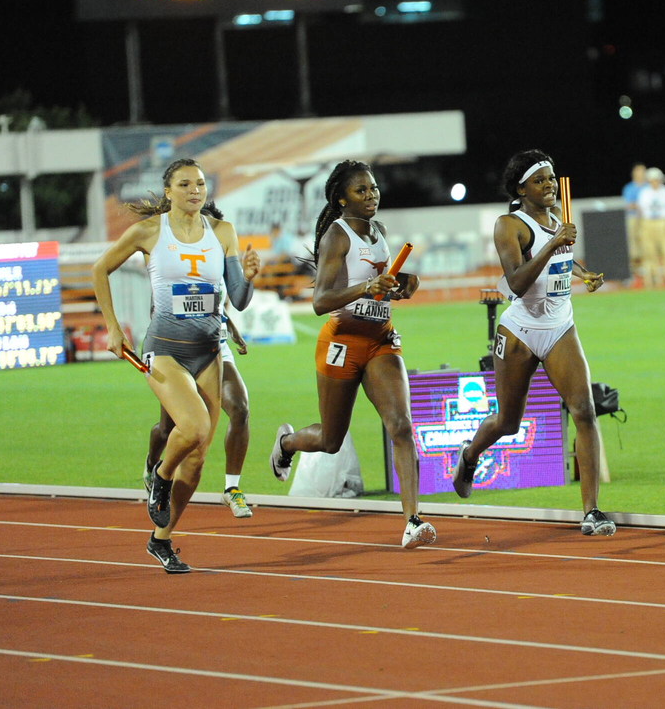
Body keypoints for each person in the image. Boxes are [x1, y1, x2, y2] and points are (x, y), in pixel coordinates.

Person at [93, 158, 260, 573]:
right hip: (165, 348)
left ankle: (161, 540)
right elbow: (100, 268)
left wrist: (251, 277)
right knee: (197, 426)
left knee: (199, 456)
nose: (195, 191)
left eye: (200, 184)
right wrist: (113, 328)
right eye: (185, 184)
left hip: (208, 349)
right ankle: (161, 477)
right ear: (168, 191)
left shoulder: (223, 232)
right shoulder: (151, 231)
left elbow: (237, 298)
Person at [268, 160, 435, 549]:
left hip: (381, 340)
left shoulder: (380, 231)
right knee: (330, 439)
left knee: (401, 426)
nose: (371, 195)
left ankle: (413, 520)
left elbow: (384, 287)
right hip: (342, 342)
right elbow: (320, 301)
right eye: (361, 190)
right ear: (342, 199)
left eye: (373, 188)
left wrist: (405, 285)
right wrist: (367, 288)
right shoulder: (336, 237)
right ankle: (287, 443)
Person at [451, 150, 614, 536]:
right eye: (540, 180)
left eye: (552, 177)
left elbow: (561, 259)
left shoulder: (558, 220)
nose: (550, 185)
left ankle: (591, 512)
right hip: (520, 330)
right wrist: (553, 241)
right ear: (521, 188)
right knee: (508, 421)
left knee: (584, 411)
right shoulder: (510, 225)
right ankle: (470, 455)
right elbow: (517, 282)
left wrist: (584, 272)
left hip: (560, 326)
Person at [143, 201, 255, 519]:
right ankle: (152, 466)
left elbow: (221, 302)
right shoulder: (173, 264)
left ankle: (232, 488)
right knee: (168, 429)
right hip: (175, 352)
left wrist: (231, 329)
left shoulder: (221, 257)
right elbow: (162, 312)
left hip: (215, 348)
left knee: (241, 408)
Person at [637, 167, 665, 287]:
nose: (655, 182)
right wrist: (641, 226)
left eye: (656, 179)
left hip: (663, 222)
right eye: (652, 179)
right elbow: (641, 210)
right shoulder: (644, 192)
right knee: (650, 252)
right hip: (648, 222)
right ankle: (655, 278)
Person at [621, 163, 647, 283]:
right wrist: (639, 205)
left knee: (646, 245)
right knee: (632, 246)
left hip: (646, 219)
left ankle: (644, 270)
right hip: (633, 219)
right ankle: (632, 271)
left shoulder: (648, 186)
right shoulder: (629, 188)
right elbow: (629, 205)